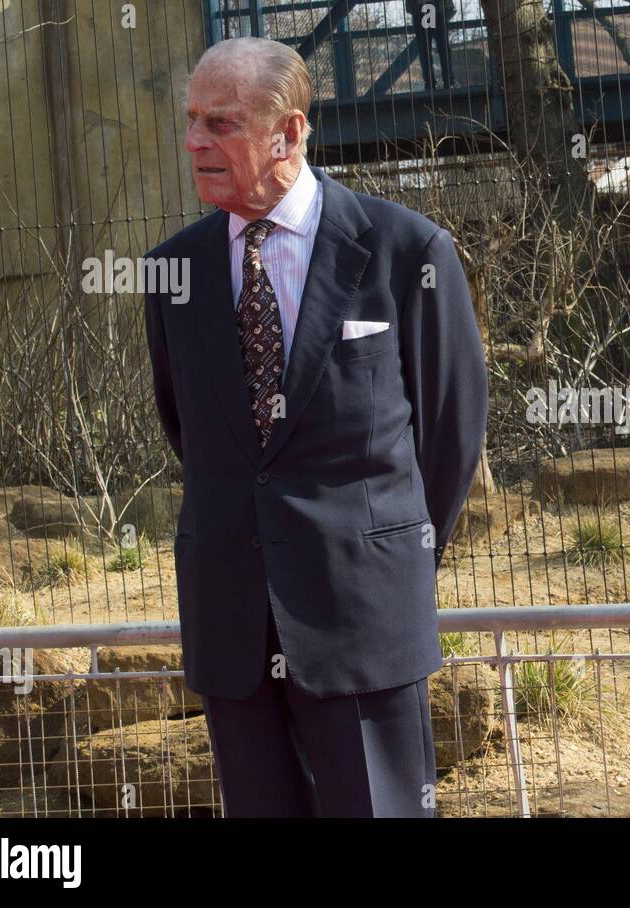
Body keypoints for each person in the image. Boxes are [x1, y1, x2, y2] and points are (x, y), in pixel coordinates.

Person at [143, 36, 487, 816]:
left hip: (363, 617)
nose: (196, 140)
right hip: (232, 626)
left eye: (222, 123)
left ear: (289, 133)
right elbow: (194, 438)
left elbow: (449, 434)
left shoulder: (407, 251)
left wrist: (381, 552)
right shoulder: (172, 275)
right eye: (192, 120)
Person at [407, 0, 458, 90]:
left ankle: (440, 82)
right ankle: (440, 82)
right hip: (425, 9)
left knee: (438, 48)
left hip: (430, 9)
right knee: (430, 49)